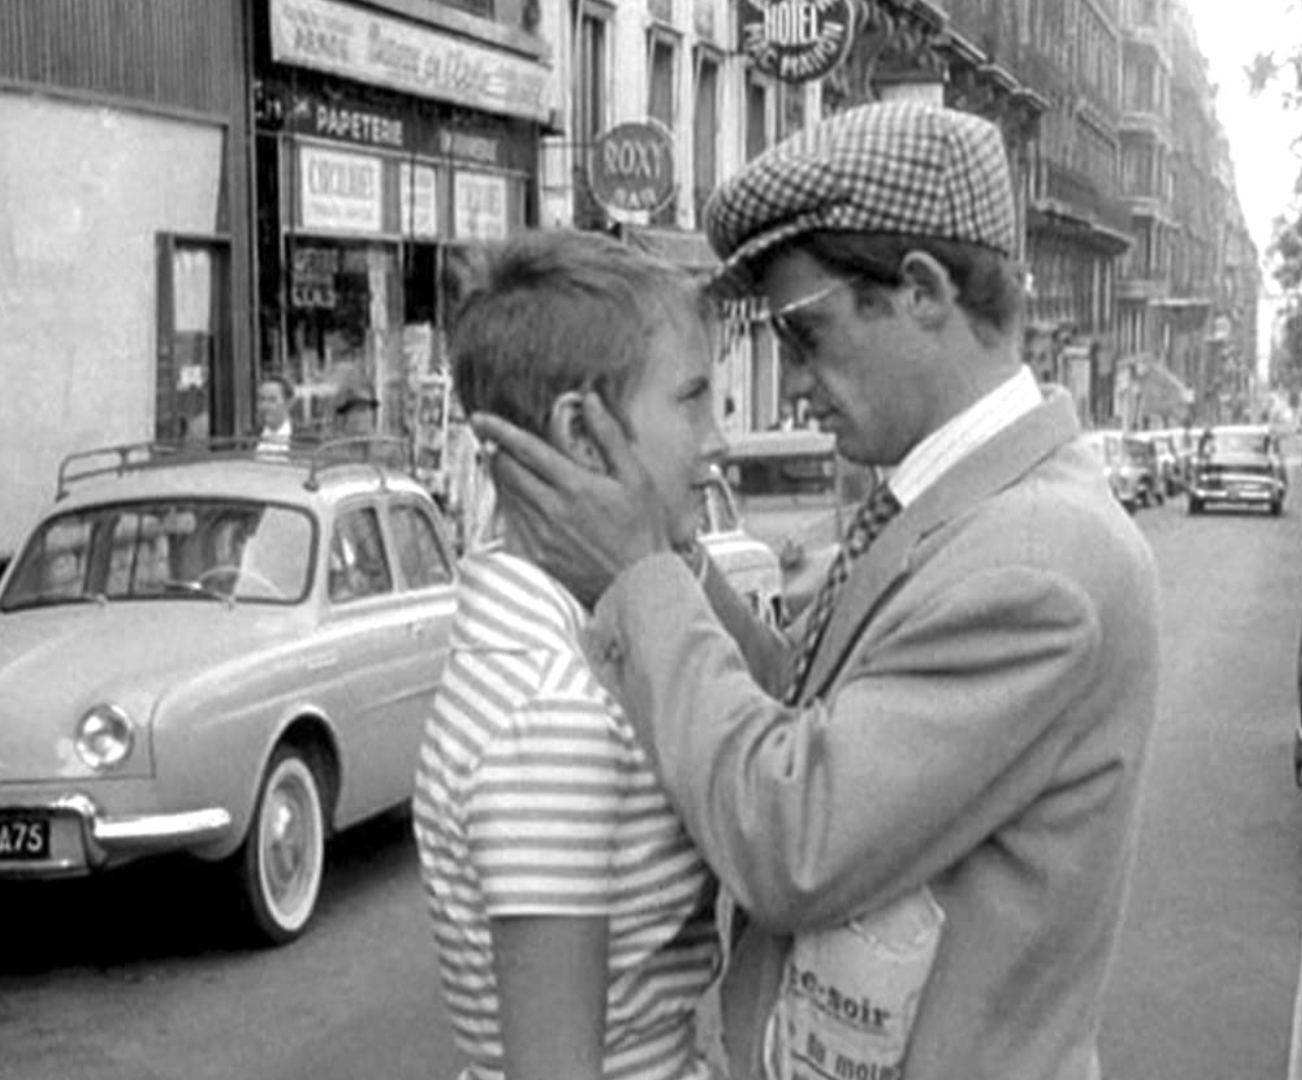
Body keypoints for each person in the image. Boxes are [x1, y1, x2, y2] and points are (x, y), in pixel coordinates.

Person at [474, 101, 1160, 1080]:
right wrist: (672, 554)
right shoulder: (968, 509)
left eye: (805, 334)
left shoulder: (1037, 561)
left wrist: (638, 574)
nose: (792, 381)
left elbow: (793, 838)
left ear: (921, 291)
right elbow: (804, 703)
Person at [411, 230, 730, 1080]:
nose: (718, 441)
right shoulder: (552, 712)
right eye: (693, 400)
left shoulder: (539, 652)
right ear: (582, 434)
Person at [255, 375, 295, 452]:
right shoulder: (245, 440)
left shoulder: (307, 441)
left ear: (289, 403)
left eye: (272, 400)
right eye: (262, 399)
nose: (264, 406)